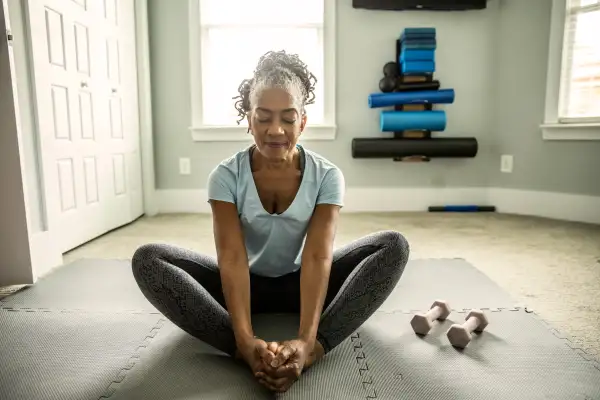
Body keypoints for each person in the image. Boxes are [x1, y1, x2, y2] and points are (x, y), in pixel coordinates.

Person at [131, 50, 410, 393]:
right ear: (248, 119)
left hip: (303, 283)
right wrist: (247, 339)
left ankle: (317, 348)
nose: (275, 129)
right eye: (263, 118)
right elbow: (231, 259)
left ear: (302, 122)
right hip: (245, 285)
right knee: (148, 260)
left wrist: (306, 342)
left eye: (288, 118)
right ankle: (244, 350)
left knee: (393, 245)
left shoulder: (327, 176)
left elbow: (318, 257)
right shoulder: (225, 176)